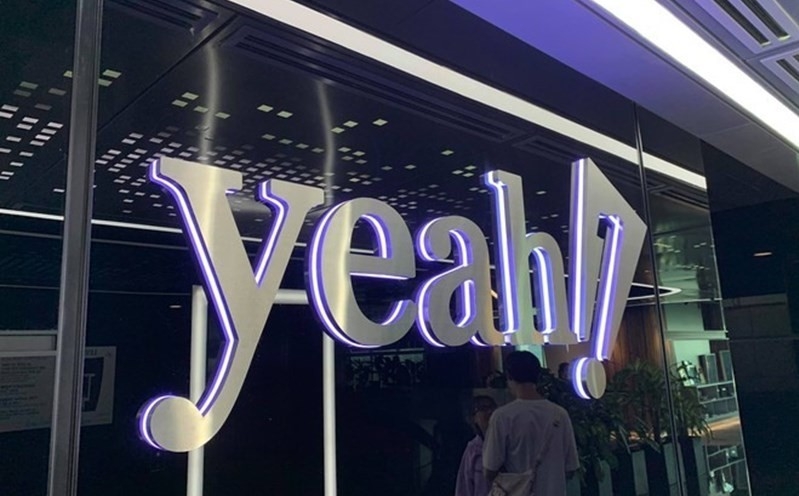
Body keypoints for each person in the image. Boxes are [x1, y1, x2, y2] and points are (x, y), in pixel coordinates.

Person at [483, 351, 579, 495]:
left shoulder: (502, 416)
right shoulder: (560, 414)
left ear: (509, 376)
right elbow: (570, 468)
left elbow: (489, 469)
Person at [455, 395, 497, 496]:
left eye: (492, 407)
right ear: (474, 418)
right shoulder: (472, 449)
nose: (489, 412)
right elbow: (463, 487)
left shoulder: (507, 443)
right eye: (483, 408)